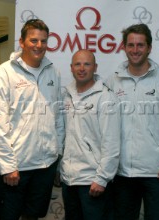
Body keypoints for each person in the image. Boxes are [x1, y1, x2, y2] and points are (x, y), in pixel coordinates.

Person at [106, 23, 159, 220]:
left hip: (157, 171)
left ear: (149, 48)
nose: (135, 50)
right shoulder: (112, 82)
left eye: (140, 45)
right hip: (122, 172)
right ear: (123, 47)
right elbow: (106, 126)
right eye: (131, 45)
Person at [0, 18, 64, 220]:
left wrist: (57, 155)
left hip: (46, 166)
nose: (39, 46)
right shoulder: (5, 73)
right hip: (17, 167)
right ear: (21, 42)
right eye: (33, 40)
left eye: (43, 41)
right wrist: (7, 166)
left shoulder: (53, 72)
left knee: (34, 216)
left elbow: (58, 118)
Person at [60, 49, 120, 220]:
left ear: (95, 67)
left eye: (87, 64)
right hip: (69, 180)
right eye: (77, 64)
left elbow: (112, 143)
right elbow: (64, 136)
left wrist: (102, 179)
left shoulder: (106, 98)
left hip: (93, 181)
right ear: (71, 68)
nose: (82, 68)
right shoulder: (66, 96)